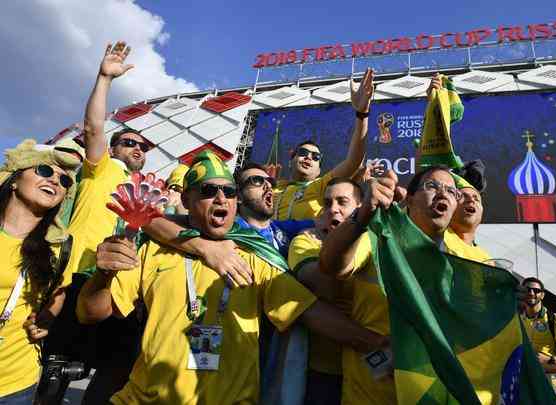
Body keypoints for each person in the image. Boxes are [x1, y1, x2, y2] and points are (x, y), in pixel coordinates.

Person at [76, 150, 387, 405]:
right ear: (186, 201)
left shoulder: (255, 256)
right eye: (209, 191)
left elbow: (308, 311)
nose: (221, 199)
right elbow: (91, 312)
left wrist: (377, 344)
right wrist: (102, 276)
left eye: (229, 192)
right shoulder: (152, 251)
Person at [318, 165, 499, 404]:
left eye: (451, 191)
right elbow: (332, 265)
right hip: (373, 396)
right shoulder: (378, 235)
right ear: (410, 199)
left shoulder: (465, 258)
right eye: (432, 186)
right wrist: (362, 216)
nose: (443, 193)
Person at [63, 41, 151, 405]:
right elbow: (93, 127)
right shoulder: (102, 168)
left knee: (113, 374)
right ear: (112, 149)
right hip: (78, 276)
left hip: (121, 287)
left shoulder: (146, 188)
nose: (137, 149)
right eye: (128, 142)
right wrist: (104, 79)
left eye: (143, 146)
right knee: (56, 369)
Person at [0, 139, 80, 403]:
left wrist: (46, 319)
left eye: (65, 181)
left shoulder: (60, 247)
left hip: (15, 382)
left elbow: (59, 292)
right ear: (14, 179)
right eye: (44, 171)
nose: (56, 181)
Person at [288, 177, 363, 405]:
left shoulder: (377, 239)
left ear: (361, 208)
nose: (333, 209)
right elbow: (325, 286)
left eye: (342, 202)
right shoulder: (306, 241)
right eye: (328, 203)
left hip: (372, 370)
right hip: (324, 374)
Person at [274, 68, 374, 221]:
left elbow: (353, 161)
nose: (308, 158)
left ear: (319, 169)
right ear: (291, 159)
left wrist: (362, 114)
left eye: (316, 157)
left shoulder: (322, 187)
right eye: (303, 153)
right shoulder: (273, 187)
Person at [235, 161, 313, 257]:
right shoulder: (231, 234)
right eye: (257, 180)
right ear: (238, 196)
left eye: (270, 181)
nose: (268, 185)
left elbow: (325, 222)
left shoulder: (283, 229)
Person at [519, 277, 556, 404]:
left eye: (536, 290)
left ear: (542, 295)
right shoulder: (518, 320)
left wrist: (550, 359)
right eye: (527, 289)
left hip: (552, 378)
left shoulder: (555, 320)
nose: (531, 293)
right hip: (528, 379)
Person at [444, 172, 492, 263]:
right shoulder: (436, 234)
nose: (471, 200)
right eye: (463, 196)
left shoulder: (487, 259)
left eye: (476, 199)